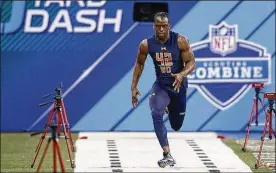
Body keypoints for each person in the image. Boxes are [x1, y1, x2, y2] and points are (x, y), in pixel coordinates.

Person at [131, 12, 196, 168]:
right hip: (161, 86)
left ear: (169, 26)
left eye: (164, 26)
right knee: (156, 112)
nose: (161, 29)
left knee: (176, 126)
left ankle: (170, 107)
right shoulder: (146, 44)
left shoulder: (180, 40)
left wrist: (182, 74)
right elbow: (139, 64)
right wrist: (133, 86)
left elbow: (191, 62)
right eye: (158, 26)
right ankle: (167, 154)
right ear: (154, 26)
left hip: (178, 86)